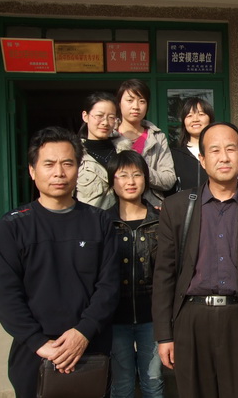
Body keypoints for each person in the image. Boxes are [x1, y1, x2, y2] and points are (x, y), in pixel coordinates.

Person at [152, 122, 238, 398]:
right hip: (192, 320)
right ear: (202, 159)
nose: (224, 157)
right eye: (215, 150)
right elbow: (164, 276)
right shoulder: (177, 206)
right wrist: (164, 334)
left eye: (231, 149)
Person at [0, 126, 119, 398]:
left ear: (78, 169)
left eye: (67, 163)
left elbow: (109, 286)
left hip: (90, 348)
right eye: (49, 164)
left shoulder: (99, 221)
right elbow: (6, 295)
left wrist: (83, 332)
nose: (59, 173)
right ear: (32, 171)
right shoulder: (13, 226)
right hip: (34, 353)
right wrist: (39, 343)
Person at [107, 150, 164, 398]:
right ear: (112, 181)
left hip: (152, 317)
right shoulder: (103, 223)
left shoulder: (160, 221)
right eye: (122, 175)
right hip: (115, 318)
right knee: (122, 385)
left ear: (146, 179)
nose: (130, 181)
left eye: (137, 174)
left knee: (153, 382)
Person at [117, 79, 176, 206]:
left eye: (142, 101)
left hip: (151, 208)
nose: (136, 106)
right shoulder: (109, 136)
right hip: (115, 208)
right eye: (130, 100)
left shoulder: (157, 138)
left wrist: (141, 170)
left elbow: (169, 180)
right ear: (119, 103)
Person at [76, 91, 131, 209]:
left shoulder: (125, 150)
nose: (105, 122)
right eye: (99, 116)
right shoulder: (75, 155)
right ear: (85, 116)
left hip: (124, 219)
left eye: (111, 117)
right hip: (90, 219)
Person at [170, 97, 213, 193]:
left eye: (201, 114)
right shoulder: (174, 155)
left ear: (210, 119)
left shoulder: (218, 153)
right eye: (189, 116)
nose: (195, 119)